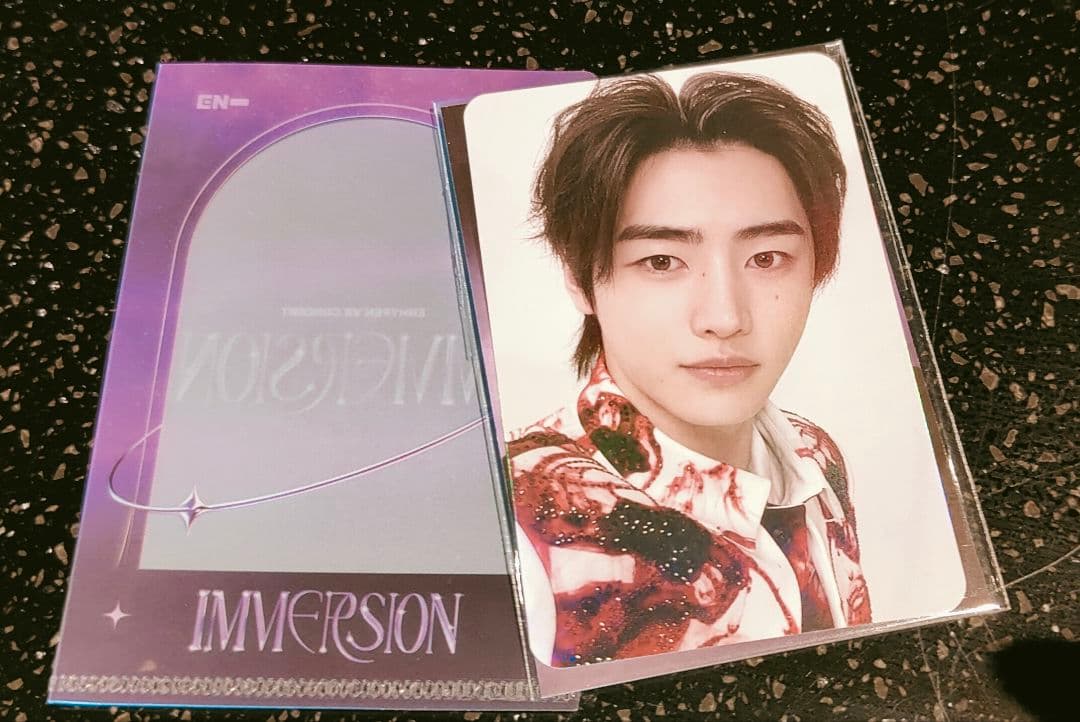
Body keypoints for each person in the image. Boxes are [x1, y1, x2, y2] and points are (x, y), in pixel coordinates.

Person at [507, 71, 873, 668]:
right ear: (579, 278)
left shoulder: (813, 453)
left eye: (767, 257)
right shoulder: (519, 523)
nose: (724, 317)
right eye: (661, 261)